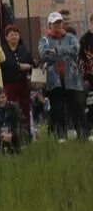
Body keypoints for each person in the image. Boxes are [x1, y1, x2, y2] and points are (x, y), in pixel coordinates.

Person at [38, 11, 85, 141]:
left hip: (72, 78)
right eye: (54, 23)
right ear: (49, 25)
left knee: (77, 106)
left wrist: (58, 50)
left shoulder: (70, 37)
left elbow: (76, 50)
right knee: (57, 108)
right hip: (54, 79)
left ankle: (83, 134)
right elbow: (45, 54)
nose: (58, 25)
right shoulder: (44, 40)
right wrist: (66, 51)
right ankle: (61, 136)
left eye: (59, 22)